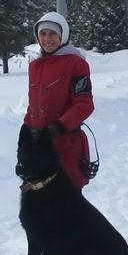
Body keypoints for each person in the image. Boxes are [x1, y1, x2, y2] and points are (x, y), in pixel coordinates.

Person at [25, 12, 94, 190]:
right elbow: (33, 103)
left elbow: (84, 104)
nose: (47, 39)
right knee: (40, 203)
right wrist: (26, 130)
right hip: (39, 147)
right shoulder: (34, 66)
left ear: (63, 35)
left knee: (66, 206)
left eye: (53, 33)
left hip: (65, 146)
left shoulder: (76, 64)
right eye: (43, 33)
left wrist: (59, 127)